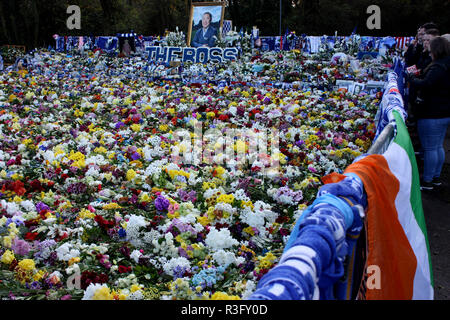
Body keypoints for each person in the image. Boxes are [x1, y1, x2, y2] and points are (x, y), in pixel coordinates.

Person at [406, 36, 450, 190]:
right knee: (438, 146)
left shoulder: (438, 67)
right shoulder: (445, 64)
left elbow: (426, 84)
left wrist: (412, 79)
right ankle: (435, 177)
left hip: (432, 112)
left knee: (431, 147)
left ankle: (427, 180)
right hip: (443, 112)